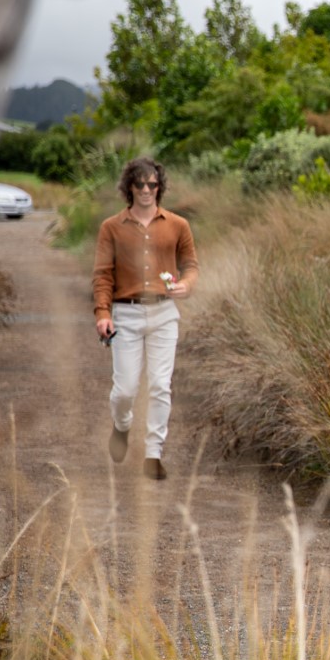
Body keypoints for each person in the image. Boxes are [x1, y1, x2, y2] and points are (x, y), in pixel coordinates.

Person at [93, 156, 199, 480]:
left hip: (164, 312)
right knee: (125, 389)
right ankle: (122, 425)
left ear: (159, 187)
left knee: (159, 385)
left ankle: (154, 455)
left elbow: (191, 266)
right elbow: (102, 275)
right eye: (139, 183)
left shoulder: (178, 225)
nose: (145, 189)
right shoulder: (111, 227)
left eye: (151, 184)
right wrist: (103, 314)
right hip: (126, 312)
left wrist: (186, 285)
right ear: (129, 187)